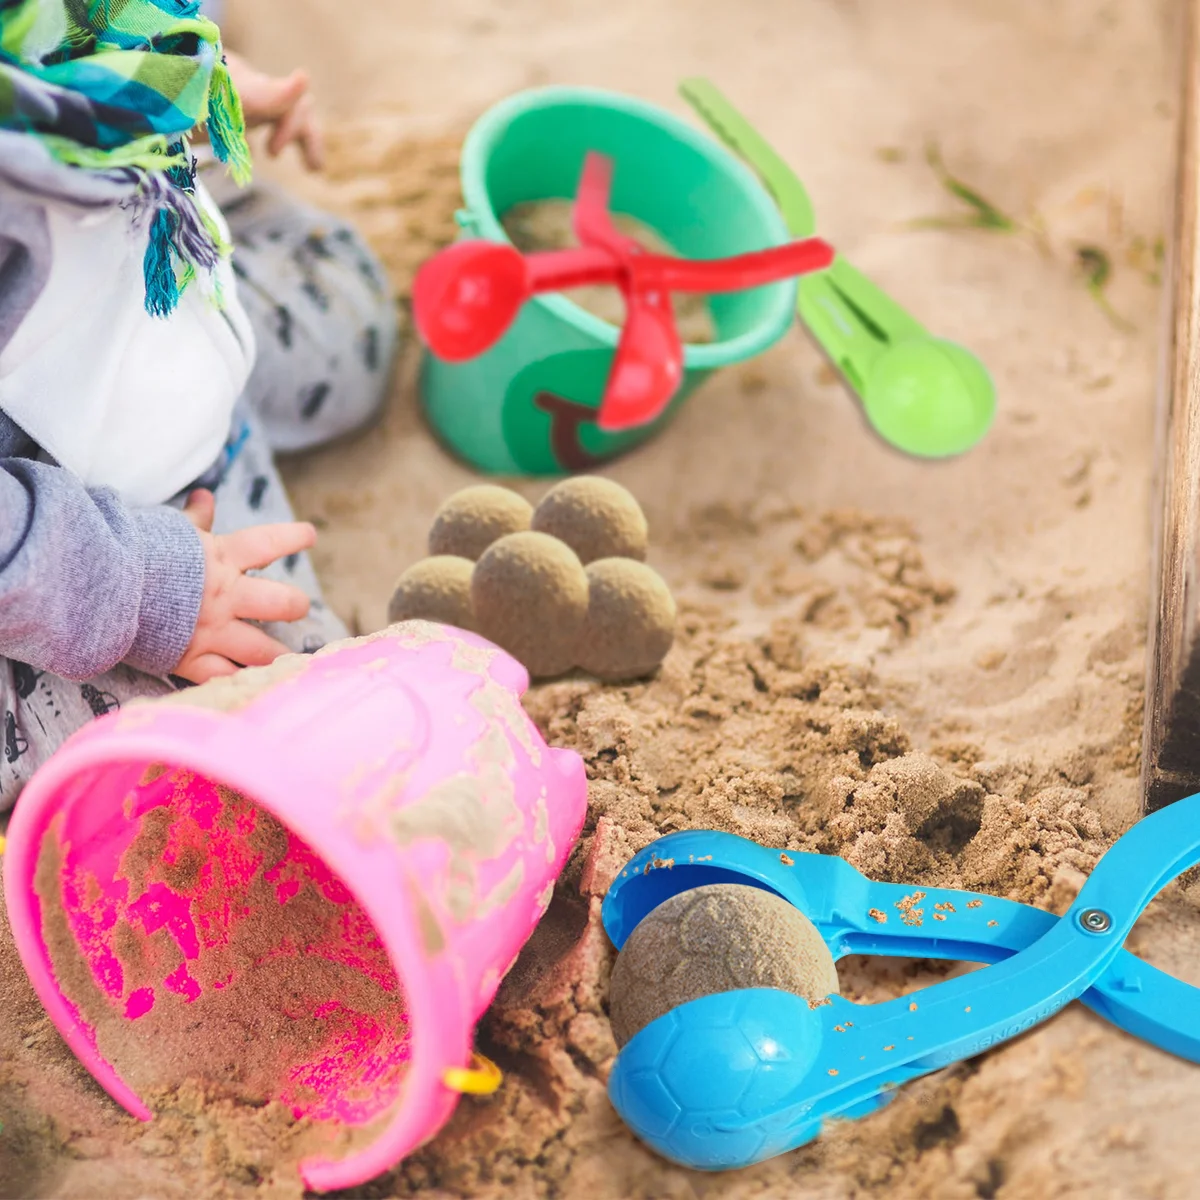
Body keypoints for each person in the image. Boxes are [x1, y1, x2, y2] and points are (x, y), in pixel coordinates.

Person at [0, 0, 399, 811]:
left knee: (351, 325)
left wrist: (185, 74)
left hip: (145, 299)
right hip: (61, 532)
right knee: (256, 763)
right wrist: (143, 590)